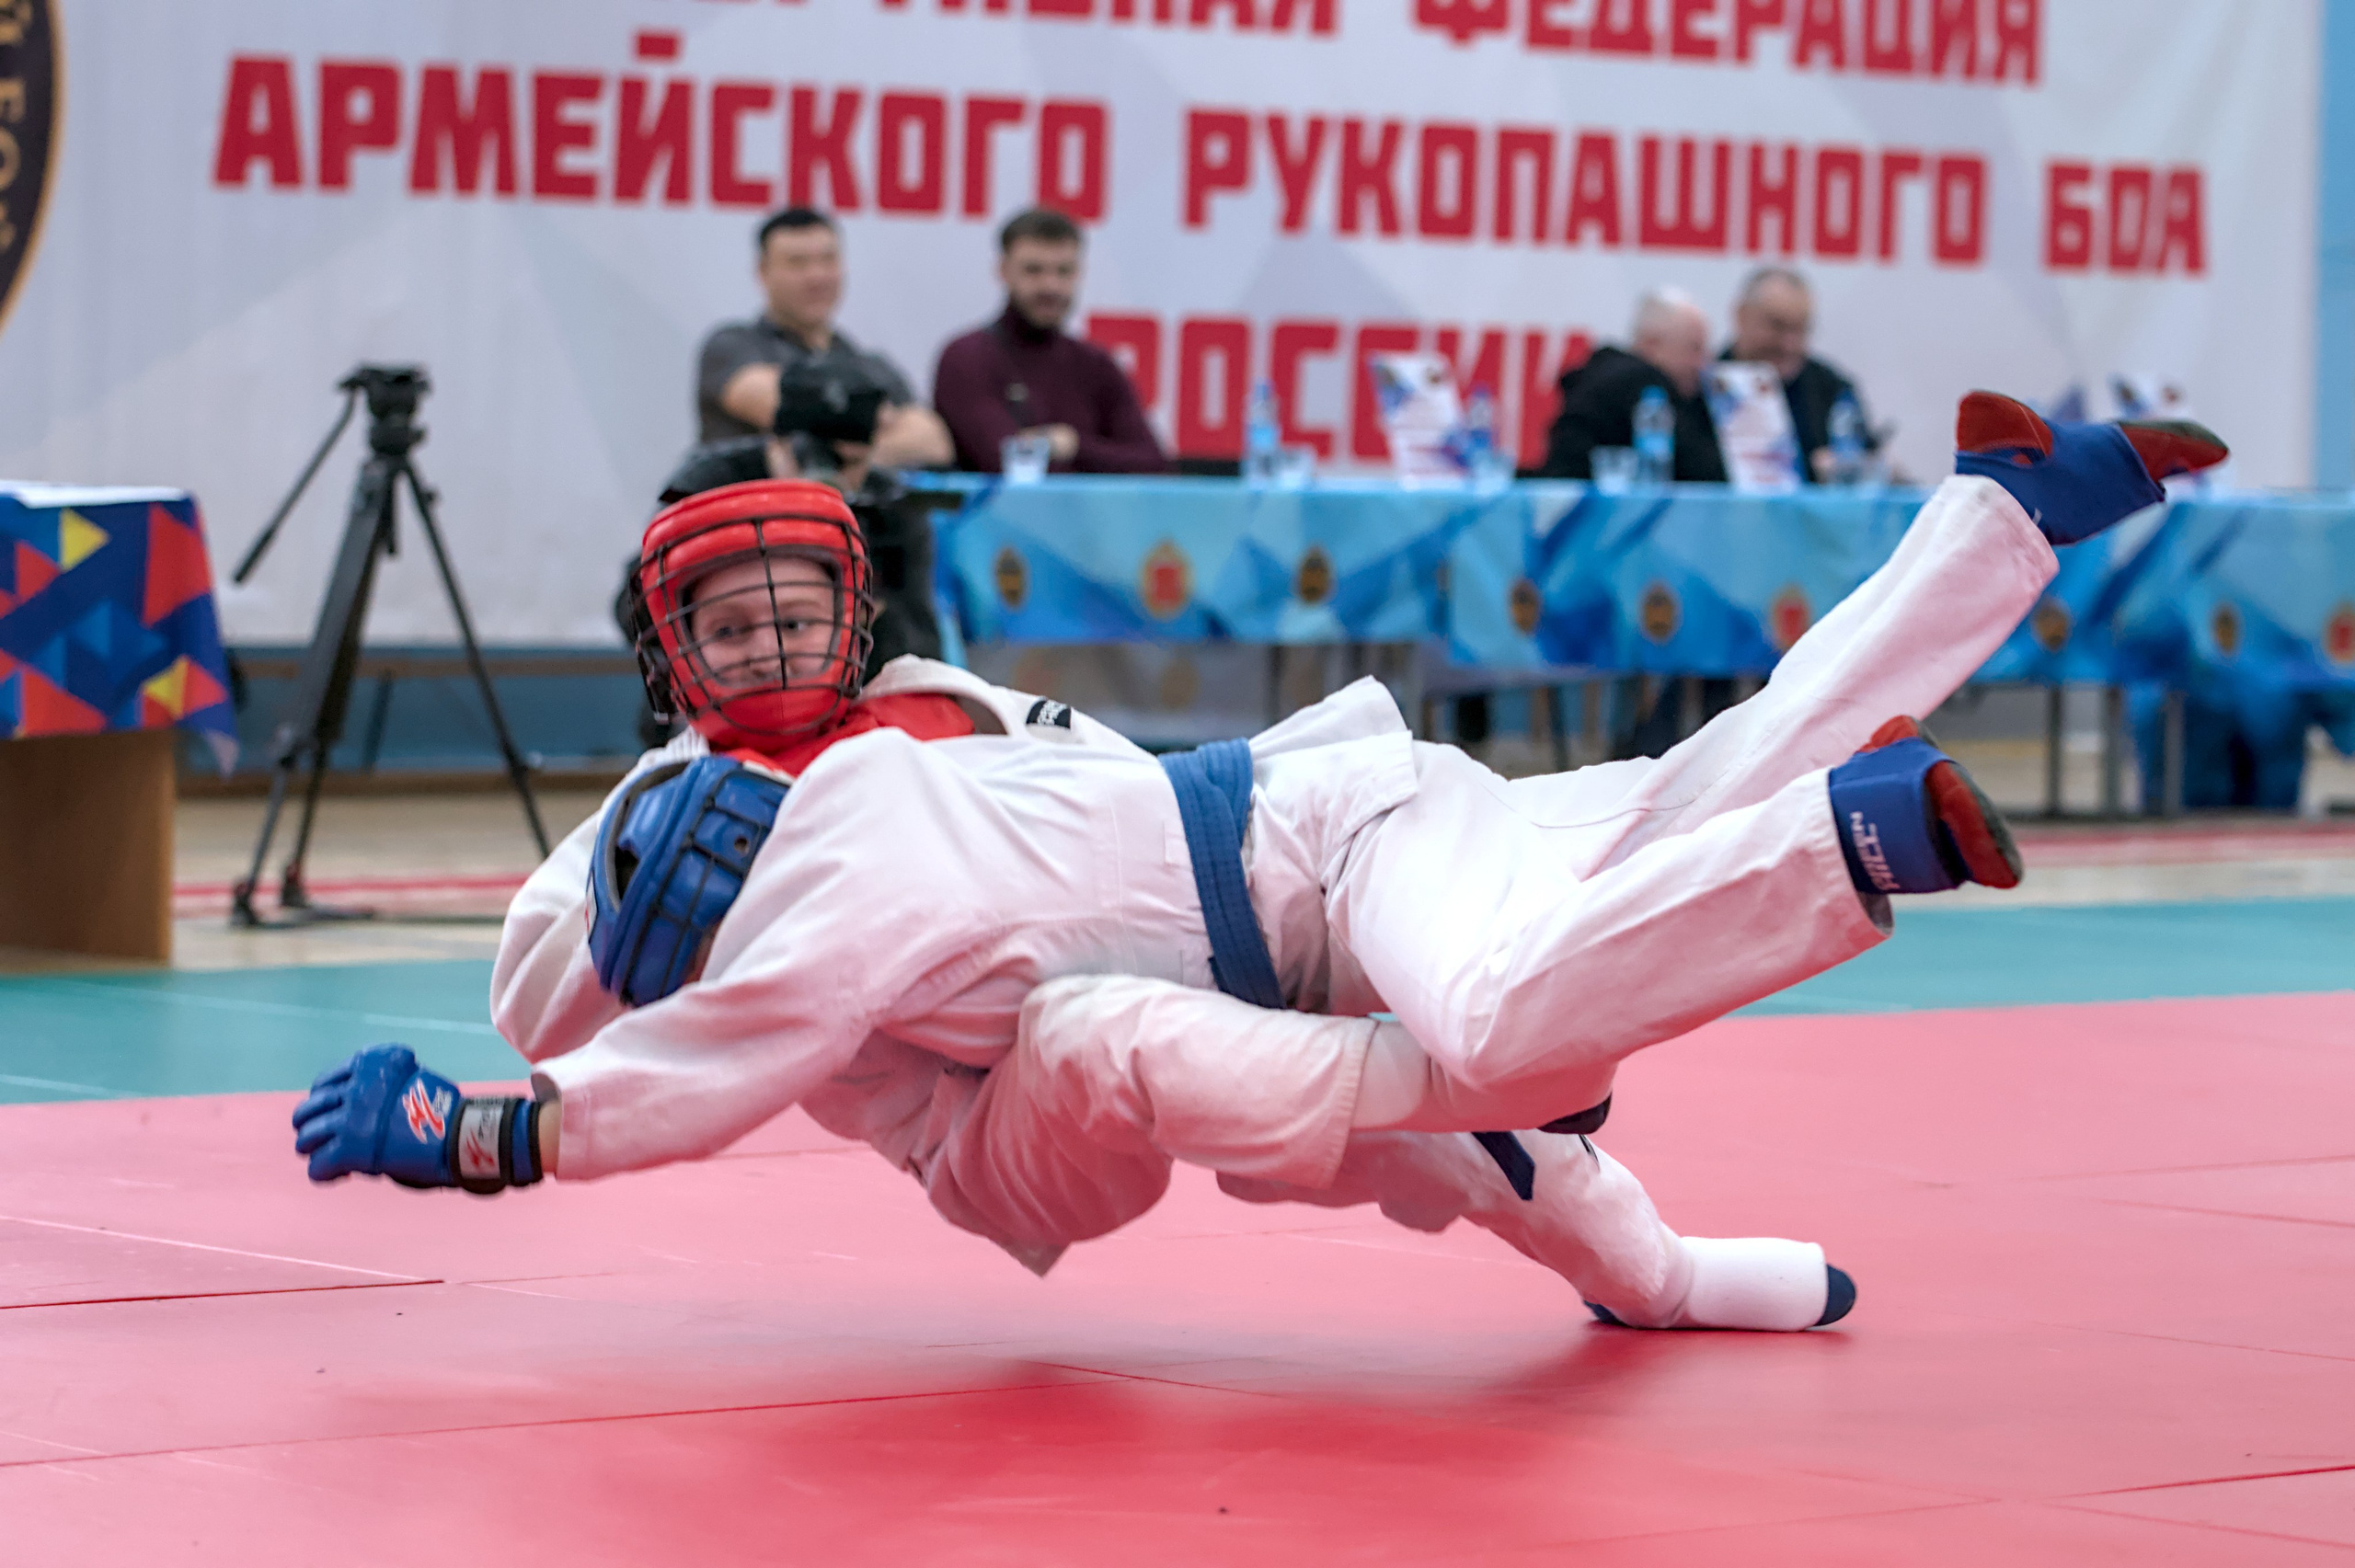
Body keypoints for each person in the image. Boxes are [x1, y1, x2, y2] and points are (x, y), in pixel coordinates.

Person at [292, 395, 2226, 1332]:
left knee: (1583, 933)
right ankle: (1904, 696)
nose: (780, 642)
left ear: (855, 606)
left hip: (1314, 841)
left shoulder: (916, 724)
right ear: (674, 658)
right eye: (737, 624)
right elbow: (582, 992)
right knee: (1474, 1031)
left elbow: (750, 1034)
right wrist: (507, 1091)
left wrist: (499, 1136)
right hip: (1118, 1045)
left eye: (804, 604)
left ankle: (1972, 574)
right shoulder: (675, 816)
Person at [695, 207, 954, 472]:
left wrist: (840, 454)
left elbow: (933, 442)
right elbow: (781, 406)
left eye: (828, 260)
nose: (816, 276)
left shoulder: (869, 362)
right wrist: (875, 419)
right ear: (763, 271)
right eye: (797, 263)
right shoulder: (732, 345)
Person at [931, 208, 1168, 475]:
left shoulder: (1096, 365)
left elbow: (1155, 465)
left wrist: (1074, 446)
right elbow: (1004, 463)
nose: (1050, 286)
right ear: (1003, 270)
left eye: (1063, 271)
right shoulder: (967, 359)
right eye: (1033, 270)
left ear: (1079, 273)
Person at [1540, 288, 1727, 482]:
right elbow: (1704, 469)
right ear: (1652, 344)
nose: (1703, 365)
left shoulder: (1601, 376)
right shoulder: (1644, 384)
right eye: (1694, 349)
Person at [1723, 267, 1879, 484]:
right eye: (1776, 326)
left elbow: (1867, 462)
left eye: (1799, 330)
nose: (1788, 344)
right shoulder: (1699, 386)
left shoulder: (1831, 390)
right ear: (1741, 316)